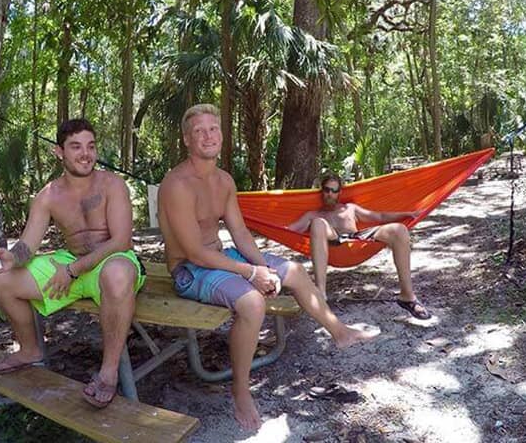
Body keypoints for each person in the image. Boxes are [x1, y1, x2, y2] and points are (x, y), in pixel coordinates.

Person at [158, 103, 378, 431]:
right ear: (187, 140)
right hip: (190, 269)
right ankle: (241, 389)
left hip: (221, 258)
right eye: (199, 132)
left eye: (213, 129)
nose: (208, 136)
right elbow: (194, 252)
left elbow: (240, 233)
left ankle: (340, 332)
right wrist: (250, 274)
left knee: (295, 271)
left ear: (221, 134)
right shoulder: (177, 184)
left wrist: (264, 267)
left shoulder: (224, 180)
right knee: (252, 302)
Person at [0, 118, 146, 409]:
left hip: (112, 261)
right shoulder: (48, 195)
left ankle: (108, 374)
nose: (86, 154)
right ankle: (29, 349)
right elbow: (27, 246)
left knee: (117, 274)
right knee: (3, 279)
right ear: (59, 152)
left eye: (91, 146)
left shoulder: (112, 184)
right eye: (76, 147)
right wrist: (10, 257)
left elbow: (121, 241)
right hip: (71, 263)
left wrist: (73, 271)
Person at [287, 173, 432, 320]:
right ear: (321, 191)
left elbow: (379, 217)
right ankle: (321, 294)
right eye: (326, 190)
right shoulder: (313, 214)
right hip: (334, 244)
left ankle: (407, 296)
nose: (330, 194)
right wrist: (264, 227)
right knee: (318, 223)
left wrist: (407, 214)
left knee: (400, 230)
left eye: (334, 191)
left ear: (339, 193)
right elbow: (287, 230)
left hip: (358, 241)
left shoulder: (350, 208)